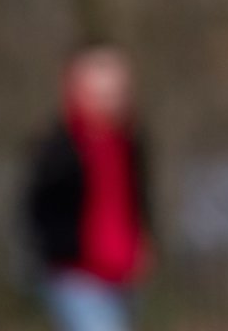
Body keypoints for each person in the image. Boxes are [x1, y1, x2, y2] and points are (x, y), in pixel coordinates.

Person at [24, 45, 154, 331]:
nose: (111, 99)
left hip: (123, 274)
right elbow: (37, 209)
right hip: (76, 274)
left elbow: (138, 200)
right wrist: (59, 252)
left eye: (117, 90)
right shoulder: (58, 147)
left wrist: (143, 243)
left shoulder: (130, 142)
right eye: (102, 90)